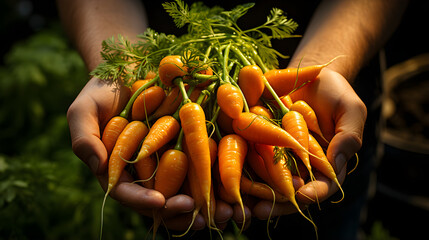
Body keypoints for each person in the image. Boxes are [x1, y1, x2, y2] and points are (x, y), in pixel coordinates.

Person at [57, 0, 407, 238]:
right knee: (173, 207)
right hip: (164, 147)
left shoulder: (254, 116)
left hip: (322, 109)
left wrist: (322, 66)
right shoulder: (181, 114)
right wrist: (124, 65)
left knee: (321, 210)